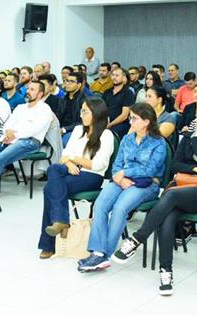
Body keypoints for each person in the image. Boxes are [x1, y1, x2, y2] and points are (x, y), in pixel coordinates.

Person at [111, 101, 197, 294]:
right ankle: (165, 271)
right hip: (184, 189)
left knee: (171, 196)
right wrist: (195, 168)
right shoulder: (187, 137)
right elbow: (175, 165)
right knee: (167, 215)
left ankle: (138, 238)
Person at [77, 103, 167, 272]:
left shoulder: (158, 143)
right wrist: (120, 177)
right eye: (130, 117)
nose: (130, 121)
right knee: (100, 205)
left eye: (134, 118)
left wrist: (125, 172)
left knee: (119, 208)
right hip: (121, 180)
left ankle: (105, 255)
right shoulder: (127, 139)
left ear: (146, 121)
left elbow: (150, 170)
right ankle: (97, 251)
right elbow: (116, 164)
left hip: (147, 184)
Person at [38, 98, 114, 259]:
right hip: (70, 170)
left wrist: (73, 159)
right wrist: (70, 163)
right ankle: (61, 221)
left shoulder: (106, 135)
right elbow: (63, 156)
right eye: (81, 111)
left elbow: (97, 165)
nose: (81, 115)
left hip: (92, 176)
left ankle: (50, 243)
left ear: (96, 113)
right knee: (53, 168)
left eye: (85, 111)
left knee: (49, 189)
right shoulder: (79, 130)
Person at [0, 80, 53, 193]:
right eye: (28, 89)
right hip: (10, 139)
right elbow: (8, 123)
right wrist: (7, 132)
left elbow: (33, 129)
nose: (28, 91)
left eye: (32, 90)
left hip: (30, 142)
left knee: (0, 158)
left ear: (40, 94)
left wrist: (14, 135)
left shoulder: (45, 109)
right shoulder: (20, 107)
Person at [104, 67, 134, 136]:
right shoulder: (107, 92)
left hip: (121, 124)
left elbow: (124, 115)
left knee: (109, 134)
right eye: (113, 75)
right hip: (106, 121)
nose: (114, 77)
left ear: (123, 78)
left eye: (117, 75)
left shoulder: (128, 93)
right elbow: (102, 109)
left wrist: (110, 125)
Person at [58, 71, 85, 146]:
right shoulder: (63, 99)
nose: (67, 83)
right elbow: (58, 116)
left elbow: (82, 122)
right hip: (61, 128)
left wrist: (65, 129)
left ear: (79, 85)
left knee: (64, 142)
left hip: (75, 129)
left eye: (72, 81)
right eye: (67, 81)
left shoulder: (84, 101)